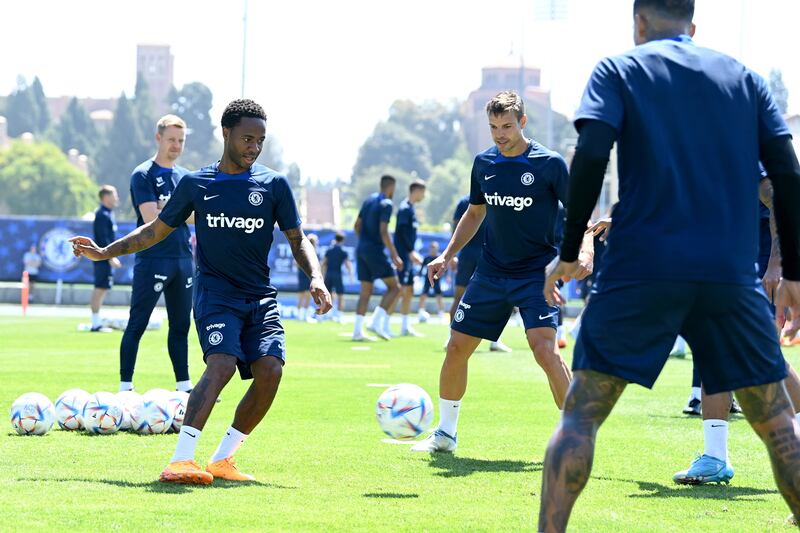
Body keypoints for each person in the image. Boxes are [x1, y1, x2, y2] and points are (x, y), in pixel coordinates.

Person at [537, 2, 800, 530]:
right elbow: (787, 175)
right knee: (776, 422)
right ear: (693, 27)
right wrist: (793, 270)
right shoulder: (744, 78)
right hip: (728, 274)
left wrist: (569, 250)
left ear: (638, 23)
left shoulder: (620, 69)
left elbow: (589, 156)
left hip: (641, 268)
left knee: (581, 415)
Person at [71, 99, 332, 484]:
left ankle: (223, 459)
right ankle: (180, 460)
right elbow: (154, 230)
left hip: (260, 297)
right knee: (223, 363)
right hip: (215, 294)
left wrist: (316, 276)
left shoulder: (274, 184)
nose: (253, 147)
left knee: (271, 371)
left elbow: (298, 239)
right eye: (246, 138)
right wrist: (106, 251)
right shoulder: (196, 183)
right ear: (225, 133)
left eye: (259, 141)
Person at [412, 91, 594, 453]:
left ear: (523, 122)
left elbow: (579, 215)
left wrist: (585, 251)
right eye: (494, 127)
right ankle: (446, 434)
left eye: (507, 126)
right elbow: (475, 213)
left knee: (545, 350)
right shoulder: (483, 163)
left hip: (535, 276)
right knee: (456, 347)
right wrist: (447, 255)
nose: (500, 134)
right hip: (490, 272)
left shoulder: (549, 163)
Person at [119, 115, 194, 393]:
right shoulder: (143, 174)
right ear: (158, 138)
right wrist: (180, 211)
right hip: (152, 258)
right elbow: (151, 217)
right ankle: (125, 387)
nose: (176, 145)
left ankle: (184, 387)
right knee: (137, 323)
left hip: (184, 260)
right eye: (172, 139)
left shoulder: (186, 177)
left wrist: (170, 209)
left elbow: (197, 216)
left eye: (181, 141)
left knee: (181, 326)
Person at [447, 194, 512, 353]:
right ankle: (452, 336)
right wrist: (452, 254)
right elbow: (457, 226)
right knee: (459, 296)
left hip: (490, 254)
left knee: (497, 298)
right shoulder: (465, 201)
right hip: (471, 254)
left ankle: (494, 340)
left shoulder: (497, 197)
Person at [352, 175, 403, 341]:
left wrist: (364, 243)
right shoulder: (387, 203)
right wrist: (394, 255)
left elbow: (356, 226)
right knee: (395, 287)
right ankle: (375, 322)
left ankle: (357, 331)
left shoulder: (368, 200)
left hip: (361, 249)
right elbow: (383, 231)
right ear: (391, 187)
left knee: (365, 290)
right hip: (374, 250)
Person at [393, 179, 426, 337]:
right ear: (416, 191)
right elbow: (400, 233)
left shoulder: (411, 209)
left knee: (409, 290)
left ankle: (405, 326)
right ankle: (380, 322)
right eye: (423, 192)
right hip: (404, 255)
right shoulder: (405, 208)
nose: (424, 195)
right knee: (399, 290)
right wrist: (410, 251)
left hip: (408, 256)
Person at [90, 185, 121, 332]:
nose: (117, 198)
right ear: (106, 197)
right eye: (114, 195)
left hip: (106, 257)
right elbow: (103, 239)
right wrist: (110, 257)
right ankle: (95, 323)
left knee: (103, 288)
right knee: (100, 288)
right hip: (102, 258)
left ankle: (97, 322)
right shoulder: (102, 214)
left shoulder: (108, 213)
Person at [321, 231, 352, 323]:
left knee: (328, 296)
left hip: (329, 275)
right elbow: (348, 265)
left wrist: (321, 276)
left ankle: (326, 315)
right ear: (342, 240)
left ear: (335, 239)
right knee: (340, 296)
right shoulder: (343, 252)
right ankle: (339, 316)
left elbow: (323, 264)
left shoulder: (329, 251)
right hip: (337, 275)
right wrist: (350, 276)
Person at [417, 241, 446, 321]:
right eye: (432, 248)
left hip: (437, 279)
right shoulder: (426, 258)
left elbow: (444, 269)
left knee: (439, 295)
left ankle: (441, 313)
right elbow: (421, 269)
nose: (433, 249)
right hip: (427, 279)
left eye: (435, 248)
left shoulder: (439, 258)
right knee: (423, 294)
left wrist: (446, 276)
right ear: (430, 248)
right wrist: (418, 276)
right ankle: (421, 312)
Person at [296, 233, 319, 322]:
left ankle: (299, 316)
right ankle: (304, 316)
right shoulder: (312, 251)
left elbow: (296, 263)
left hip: (301, 274)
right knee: (308, 295)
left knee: (301, 296)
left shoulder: (300, 249)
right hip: (308, 274)